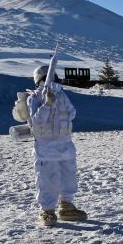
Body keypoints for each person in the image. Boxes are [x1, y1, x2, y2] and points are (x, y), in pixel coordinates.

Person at [16, 65, 87, 226]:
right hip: (46, 147)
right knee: (47, 179)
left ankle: (66, 205)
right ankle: (47, 210)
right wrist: (47, 105)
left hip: (65, 144)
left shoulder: (62, 95)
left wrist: (57, 102)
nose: (53, 79)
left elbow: (72, 112)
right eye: (49, 76)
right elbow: (35, 121)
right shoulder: (34, 98)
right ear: (39, 79)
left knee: (68, 177)